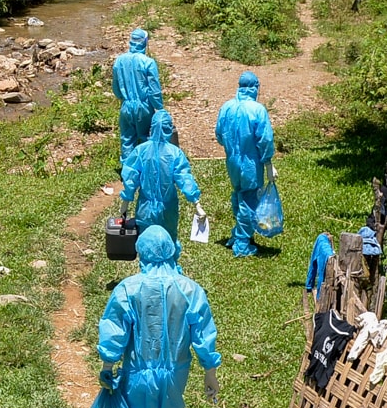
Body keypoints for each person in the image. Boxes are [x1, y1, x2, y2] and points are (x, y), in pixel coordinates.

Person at [97, 225, 221, 408]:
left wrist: (107, 366)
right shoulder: (190, 289)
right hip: (176, 373)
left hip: (138, 373)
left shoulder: (128, 288)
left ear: (141, 252)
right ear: (172, 251)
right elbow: (203, 333)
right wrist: (210, 372)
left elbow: (115, 331)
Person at [215, 71, 277, 257]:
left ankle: (237, 233)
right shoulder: (257, 110)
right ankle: (242, 243)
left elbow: (219, 134)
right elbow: (264, 140)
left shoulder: (226, 107)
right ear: (255, 87)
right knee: (250, 201)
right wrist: (268, 165)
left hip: (232, 162)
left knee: (239, 195)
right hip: (251, 163)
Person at [120, 108, 203, 242]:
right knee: (168, 243)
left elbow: (130, 179)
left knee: (146, 244)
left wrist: (124, 206)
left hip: (145, 208)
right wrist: (196, 203)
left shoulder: (140, 151)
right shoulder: (175, 153)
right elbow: (184, 179)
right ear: (169, 129)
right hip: (167, 209)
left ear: (151, 128)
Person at [111, 29, 164, 169]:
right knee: (147, 137)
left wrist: (123, 98)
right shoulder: (148, 62)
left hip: (126, 106)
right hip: (144, 106)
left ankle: (128, 171)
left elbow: (116, 87)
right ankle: (150, 169)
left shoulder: (119, 60)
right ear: (145, 43)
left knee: (127, 139)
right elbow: (154, 89)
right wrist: (159, 107)